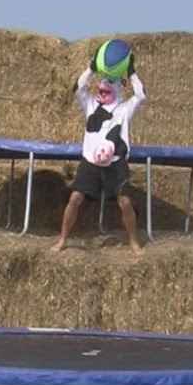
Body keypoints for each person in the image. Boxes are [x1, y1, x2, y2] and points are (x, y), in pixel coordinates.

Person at [50, 49, 145, 255]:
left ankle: (133, 242)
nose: (105, 85)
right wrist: (91, 69)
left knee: (125, 202)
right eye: (104, 81)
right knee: (75, 198)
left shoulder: (124, 109)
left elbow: (140, 95)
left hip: (116, 164)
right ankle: (63, 239)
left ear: (120, 88)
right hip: (90, 162)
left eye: (112, 82)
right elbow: (77, 88)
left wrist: (131, 72)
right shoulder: (90, 105)